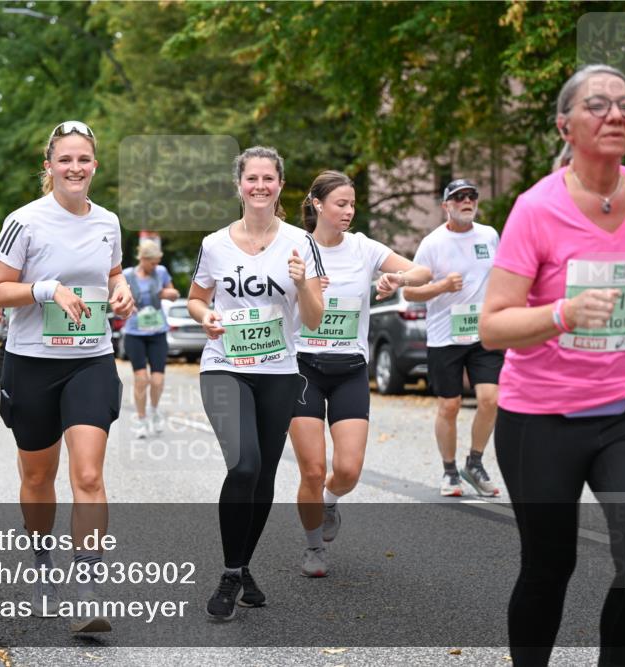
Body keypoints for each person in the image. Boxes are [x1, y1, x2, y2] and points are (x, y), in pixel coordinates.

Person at [480, 64, 625, 667]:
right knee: (550, 567)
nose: (615, 114)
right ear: (565, 126)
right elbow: (492, 325)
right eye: (597, 105)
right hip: (539, 420)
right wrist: (563, 315)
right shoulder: (536, 210)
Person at [0, 120, 134, 632]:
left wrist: (122, 291)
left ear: (95, 166)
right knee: (38, 477)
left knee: (89, 476)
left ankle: (87, 589)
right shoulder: (25, 221)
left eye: (84, 160)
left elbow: (112, 273)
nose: (75, 168)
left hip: (90, 359)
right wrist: (46, 290)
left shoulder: (109, 222)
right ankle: (43, 566)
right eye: (65, 159)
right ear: (49, 167)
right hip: (30, 363)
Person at [189, 146, 325, 620]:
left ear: (280, 186)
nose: (260, 186)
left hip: (279, 370)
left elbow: (313, 318)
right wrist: (206, 315)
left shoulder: (300, 243)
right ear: (239, 185)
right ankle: (230, 574)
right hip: (224, 364)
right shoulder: (214, 243)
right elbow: (196, 299)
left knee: (264, 474)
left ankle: (242, 564)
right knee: (244, 466)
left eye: (269, 178)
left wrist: (304, 283)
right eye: (252, 178)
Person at [290, 171, 431, 577]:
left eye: (352, 204)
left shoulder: (363, 248)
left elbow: (421, 272)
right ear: (318, 204)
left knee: (348, 470)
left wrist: (395, 278)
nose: (349, 211)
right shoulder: (295, 249)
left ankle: (330, 502)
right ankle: (314, 547)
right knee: (313, 469)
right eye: (341, 204)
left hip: (350, 368)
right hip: (303, 367)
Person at [403, 179, 503, 497]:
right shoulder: (432, 243)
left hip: (483, 332)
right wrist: (442, 286)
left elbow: (501, 275)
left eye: (471, 196)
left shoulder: (489, 235)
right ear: (446, 205)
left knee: (490, 399)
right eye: (458, 198)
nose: (466, 201)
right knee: (450, 405)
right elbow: (409, 290)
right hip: (446, 336)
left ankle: (474, 463)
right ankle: (449, 472)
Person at [121, 239, 180, 438]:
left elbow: (173, 293)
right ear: (143, 259)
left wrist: (167, 293)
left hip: (157, 332)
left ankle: (154, 411)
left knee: (157, 380)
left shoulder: (161, 272)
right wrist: (127, 306)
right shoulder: (127, 275)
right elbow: (119, 300)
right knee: (141, 379)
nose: (155, 266)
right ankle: (140, 418)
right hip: (135, 333)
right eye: (152, 262)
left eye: (157, 262)